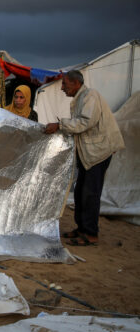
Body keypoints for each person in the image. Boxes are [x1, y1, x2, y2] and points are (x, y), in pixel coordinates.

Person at [44, 70, 125, 246]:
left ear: (75, 83)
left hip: (99, 152)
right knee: (81, 191)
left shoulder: (90, 96)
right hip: (90, 152)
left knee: (90, 193)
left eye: (64, 84)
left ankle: (90, 233)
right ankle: (82, 228)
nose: (62, 88)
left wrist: (59, 125)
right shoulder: (81, 98)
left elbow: (85, 122)